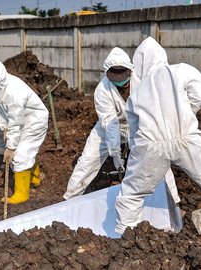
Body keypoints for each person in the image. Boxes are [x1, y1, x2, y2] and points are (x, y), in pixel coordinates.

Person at [115, 37, 201, 234]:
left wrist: (136, 155)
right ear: (162, 56)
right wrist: (187, 113)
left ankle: (125, 234)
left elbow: (134, 130)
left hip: (151, 146)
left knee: (132, 193)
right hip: (186, 138)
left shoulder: (137, 92)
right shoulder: (180, 70)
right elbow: (200, 92)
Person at [63, 47, 180, 203]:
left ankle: (172, 201)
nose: (119, 78)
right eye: (114, 74)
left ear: (130, 70)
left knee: (158, 156)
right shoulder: (102, 90)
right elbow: (110, 124)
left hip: (138, 125)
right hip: (108, 127)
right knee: (87, 161)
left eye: (122, 73)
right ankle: (70, 199)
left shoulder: (140, 82)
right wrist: (115, 153)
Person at [0, 58, 49, 204]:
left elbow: (16, 120)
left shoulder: (14, 92)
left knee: (20, 156)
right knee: (22, 154)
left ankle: (21, 194)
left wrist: (11, 147)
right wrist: (4, 127)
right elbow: (1, 108)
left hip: (34, 121)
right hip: (21, 121)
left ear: (0, 75)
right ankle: (35, 177)